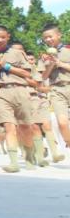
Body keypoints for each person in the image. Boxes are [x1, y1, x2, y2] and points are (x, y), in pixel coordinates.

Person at [0, 26, 36, 173]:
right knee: (9, 127)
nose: (0, 40)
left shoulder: (18, 53)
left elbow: (27, 74)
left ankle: (29, 157)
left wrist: (5, 66)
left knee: (25, 126)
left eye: (3, 37)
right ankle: (13, 162)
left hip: (20, 89)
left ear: (8, 36)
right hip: (2, 92)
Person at [39, 23, 70, 156]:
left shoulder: (68, 50)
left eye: (50, 36)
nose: (48, 39)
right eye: (45, 38)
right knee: (62, 123)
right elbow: (43, 77)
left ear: (59, 35)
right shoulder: (44, 56)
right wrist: (51, 64)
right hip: (57, 90)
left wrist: (60, 63)